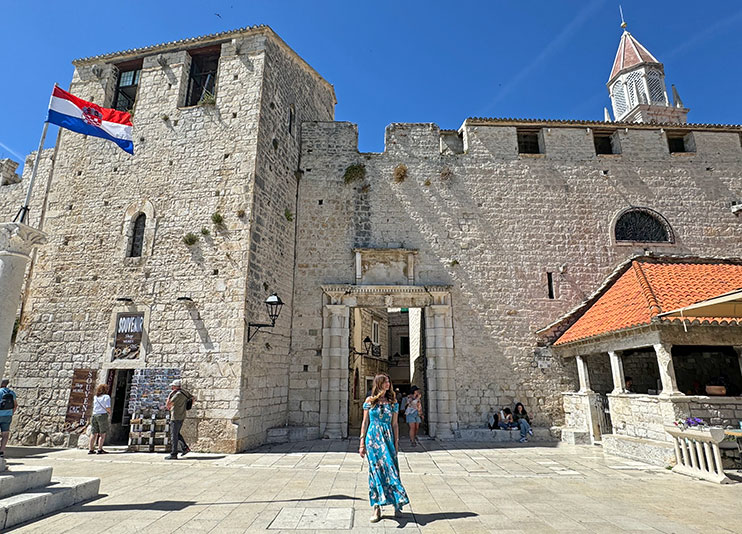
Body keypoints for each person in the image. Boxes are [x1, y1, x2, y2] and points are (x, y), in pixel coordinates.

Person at [359, 374, 409, 523]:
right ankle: (377, 507)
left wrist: (396, 442)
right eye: (386, 381)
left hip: (387, 439)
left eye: (389, 381)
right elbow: (365, 422)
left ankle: (397, 504)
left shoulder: (393, 402)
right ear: (379, 384)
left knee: (392, 470)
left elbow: (395, 424)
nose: (388, 383)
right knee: (375, 472)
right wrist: (362, 443)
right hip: (372, 439)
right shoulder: (369, 401)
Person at [164, 380, 193, 460]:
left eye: (173, 386)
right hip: (182, 415)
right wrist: (187, 406)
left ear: (176, 387)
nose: (171, 387)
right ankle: (185, 448)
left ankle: (174, 454)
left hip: (175, 417)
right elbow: (192, 398)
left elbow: (168, 405)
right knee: (177, 434)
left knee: (174, 436)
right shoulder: (184, 392)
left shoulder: (177, 395)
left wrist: (169, 395)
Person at [88, 384, 111, 454]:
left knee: (93, 433)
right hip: (102, 415)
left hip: (94, 415)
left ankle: (91, 449)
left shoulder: (96, 397)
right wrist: (110, 412)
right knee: (102, 434)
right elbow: (107, 407)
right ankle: (100, 449)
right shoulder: (106, 397)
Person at [0, 379, 17, 457]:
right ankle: (2, 451)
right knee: (5, 434)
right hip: (7, 415)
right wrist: (11, 413)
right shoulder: (11, 392)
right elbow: (15, 405)